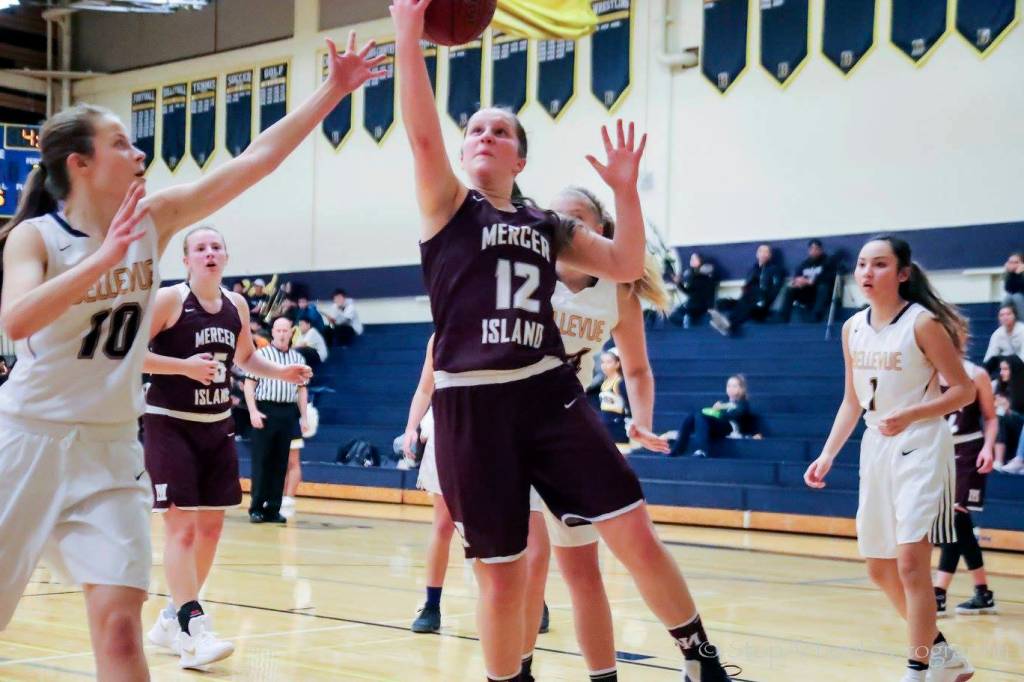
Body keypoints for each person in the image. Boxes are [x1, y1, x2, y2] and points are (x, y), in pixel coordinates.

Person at [0, 32, 382, 681]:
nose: (138, 150)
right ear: (80, 165)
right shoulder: (36, 236)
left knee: (122, 625)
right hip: (28, 439)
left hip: (111, 448)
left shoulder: (156, 218)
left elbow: (256, 159)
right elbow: (16, 320)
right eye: (120, 142)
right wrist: (102, 259)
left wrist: (333, 91)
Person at [391, 2, 735, 681]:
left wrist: (627, 193)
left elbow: (627, 265)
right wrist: (408, 29)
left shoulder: (547, 224)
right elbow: (422, 137)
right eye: (476, 130)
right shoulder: (447, 206)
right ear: (463, 153)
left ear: (521, 156)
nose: (485, 135)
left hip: (549, 393)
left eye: (501, 130)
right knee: (505, 572)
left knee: (633, 526)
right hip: (471, 405)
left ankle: (700, 658)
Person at [804, 235, 975, 682]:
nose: (867, 273)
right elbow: (850, 401)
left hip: (921, 445)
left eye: (879, 265)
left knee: (910, 564)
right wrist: (827, 455)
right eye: (862, 264)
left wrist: (914, 411)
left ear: (902, 274)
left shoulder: (922, 324)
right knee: (879, 568)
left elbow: (963, 390)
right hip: (875, 445)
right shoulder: (852, 328)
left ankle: (917, 672)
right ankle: (943, 656)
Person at [141, 226, 311, 669]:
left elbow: (246, 359)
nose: (209, 253)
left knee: (212, 530)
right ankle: (193, 630)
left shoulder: (236, 305)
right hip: (169, 424)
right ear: (187, 260)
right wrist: (182, 367)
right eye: (200, 248)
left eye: (216, 246)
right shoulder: (169, 301)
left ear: (226, 256)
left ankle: (169, 619)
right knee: (180, 529)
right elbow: (129, 355)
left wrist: (280, 374)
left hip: (216, 427)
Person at [933, 334, 998, 617]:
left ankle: (939, 593)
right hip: (938, 452)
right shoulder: (929, 373)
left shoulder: (976, 374)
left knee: (955, 519)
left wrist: (988, 447)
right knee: (959, 526)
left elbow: (991, 418)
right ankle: (983, 592)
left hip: (969, 451)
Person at [244, 316, 310, 523]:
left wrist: (304, 417)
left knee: (280, 463)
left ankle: (273, 508)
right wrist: (253, 411)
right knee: (261, 460)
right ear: (272, 332)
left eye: (285, 330)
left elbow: (302, 390)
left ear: (291, 333)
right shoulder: (261, 355)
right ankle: (256, 507)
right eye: (278, 330)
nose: (282, 334)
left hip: (287, 412)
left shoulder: (298, 359)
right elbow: (249, 385)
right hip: (265, 410)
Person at [669, 375, 755, 457]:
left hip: (730, 428)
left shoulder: (743, 404)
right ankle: (678, 449)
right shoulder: (723, 403)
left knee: (701, 415)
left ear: (741, 389)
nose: (731, 389)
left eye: (734, 386)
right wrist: (715, 411)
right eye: (728, 386)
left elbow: (732, 416)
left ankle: (702, 449)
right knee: (693, 416)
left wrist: (716, 411)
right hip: (718, 427)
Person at [709, 243, 784, 336]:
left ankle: (728, 323)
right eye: (761, 251)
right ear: (757, 254)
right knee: (721, 302)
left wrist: (763, 300)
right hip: (746, 301)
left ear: (770, 255)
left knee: (753, 294)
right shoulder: (753, 270)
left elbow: (774, 291)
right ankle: (725, 323)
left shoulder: (775, 269)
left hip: (760, 305)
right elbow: (746, 288)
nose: (763, 254)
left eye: (766, 252)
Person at [777, 238, 835, 323]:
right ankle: (783, 318)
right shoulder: (804, 264)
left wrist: (810, 281)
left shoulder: (828, 262)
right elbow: (797, 276)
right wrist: (797, 281)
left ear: (821, 250)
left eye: (816, 248)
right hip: (806, 292)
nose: (814, 251)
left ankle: (816, 315)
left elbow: (829, 278)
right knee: (789, 289)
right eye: (811, 249)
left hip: (820, 293)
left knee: (823, 287)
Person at [668, 251, 717, 328]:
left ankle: (687, 324)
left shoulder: (699, 274)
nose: (691, 261)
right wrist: (678, 283)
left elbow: (689, 291)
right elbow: (690, 291)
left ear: (700, 261)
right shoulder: (695, 274)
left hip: (699, 305)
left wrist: (678, 283)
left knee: (674, 315)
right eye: (691, 259)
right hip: (701, 304)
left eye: (694, 259)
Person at [992, 356, 1024, 471]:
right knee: (996, 417)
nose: (1001, 373)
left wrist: (1009, 408)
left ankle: (999, 460)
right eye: (1001, 369)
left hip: (1020, 424)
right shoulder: (998, 385)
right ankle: (998, 461)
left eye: (1005, 369)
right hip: (1004, 422)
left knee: (999, 417)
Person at [597, 349, 630, 448]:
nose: (604, 365)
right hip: (606, 425)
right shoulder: (604, 382)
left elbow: (630, 405)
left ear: (617, 364)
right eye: (603, 362)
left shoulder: (620, 382)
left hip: (617, 425)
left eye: (609, 362)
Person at [981, 304, 1024, 374]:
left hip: (1020, 365)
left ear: (1015, 316)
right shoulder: (997, 334)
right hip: (1007, 367)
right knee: (992, 361)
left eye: (1008, 314)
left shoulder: (1022, 330)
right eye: (1002, 315)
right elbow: (990, 357)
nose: (1005, 317)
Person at [1001, 251, 1024, 317]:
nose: (1013, 264)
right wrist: (1012, 274)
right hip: (1015, 296)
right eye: (1010, 262)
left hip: (1020, 297)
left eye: (1016, 262)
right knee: (1007, 298)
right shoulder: (1009, 273)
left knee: (1017, 297)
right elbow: (1008, 289)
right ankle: (1005, 323)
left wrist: (1019, 274)